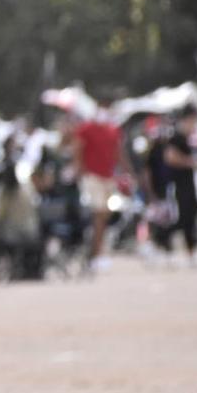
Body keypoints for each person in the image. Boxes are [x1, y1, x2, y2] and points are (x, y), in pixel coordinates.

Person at [72, 94, 123, 271]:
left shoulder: (113, 129)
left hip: (108, 177)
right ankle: (96, 254)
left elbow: (118, 152)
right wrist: (79, 169)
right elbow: (78, 148)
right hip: (92, 177)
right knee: (99, 214)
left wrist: (125, 172)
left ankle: (98, 250)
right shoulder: (86, 128)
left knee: (105, 216)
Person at [159, 105, 197, 267]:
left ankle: (191, 253)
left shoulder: (186, 139)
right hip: (179, 185)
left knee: (189, 219)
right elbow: (170, 157)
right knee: (182, 219)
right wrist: (190, 162)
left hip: (188, 184)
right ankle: (160, 239)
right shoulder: (176, 138)